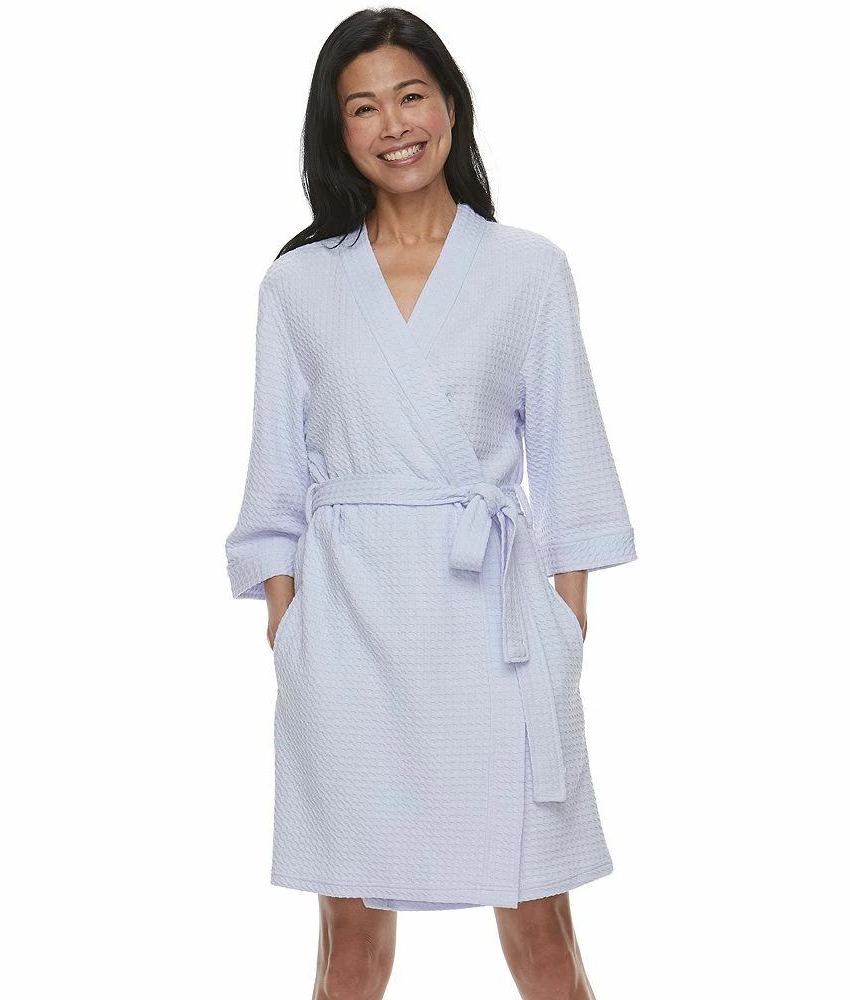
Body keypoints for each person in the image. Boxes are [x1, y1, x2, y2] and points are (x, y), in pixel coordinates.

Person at [224, 8, 637, 998]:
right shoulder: (297, 286)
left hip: (495, 637)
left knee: (543, 938)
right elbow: (274, 484)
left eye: (410, 95)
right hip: (348, 641)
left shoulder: (528, 269)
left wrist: (564, 634)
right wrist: (290, 631)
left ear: (450, 105)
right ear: (337, 131)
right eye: (363, 107)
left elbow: (572, 465)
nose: (394, 124)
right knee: (350, 947)